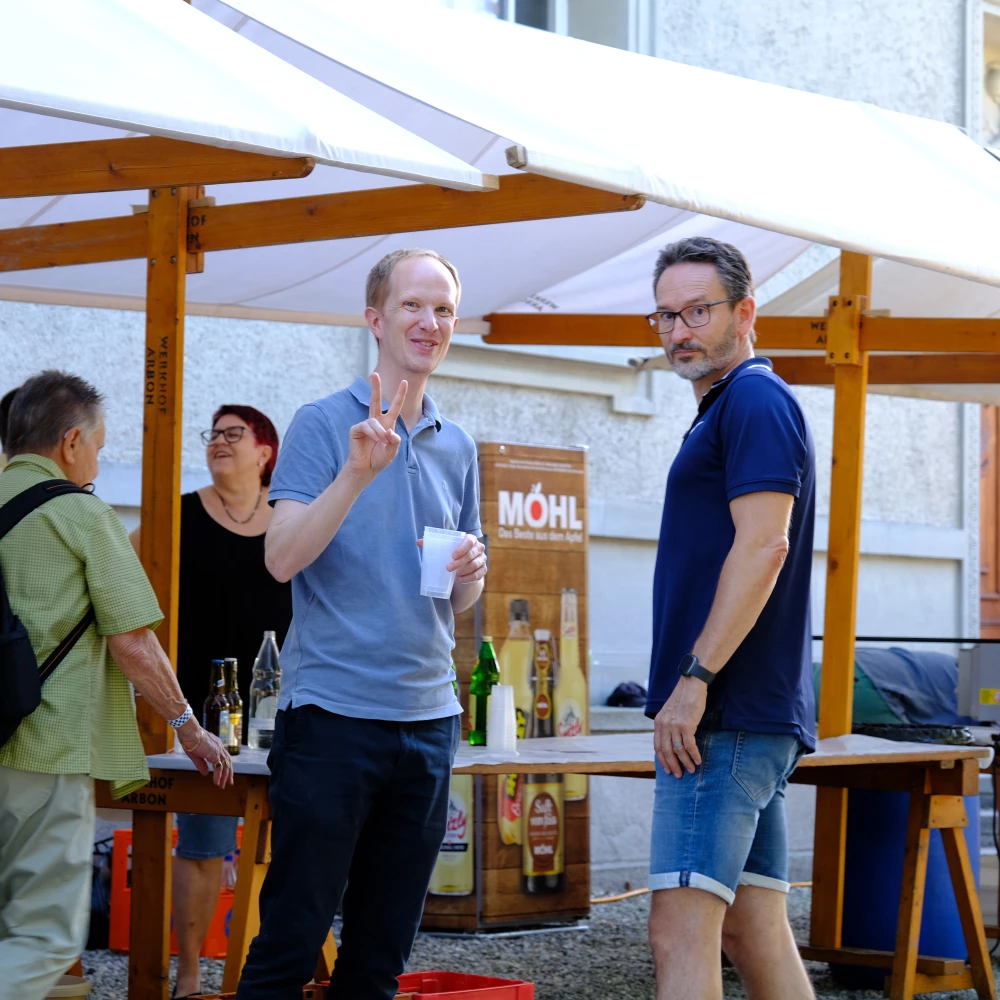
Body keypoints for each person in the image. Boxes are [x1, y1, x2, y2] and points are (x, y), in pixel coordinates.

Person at [236, 248, 486, 1000]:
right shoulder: (321, 424)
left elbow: (456, 603)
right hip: (333, 716)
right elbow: (280, 559)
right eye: (413, 305)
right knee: (289, 944)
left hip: (429, 720)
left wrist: (472, 572)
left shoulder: (458, 444)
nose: (430, 321)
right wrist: (355, 473)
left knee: (379, 961)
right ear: (375, 319)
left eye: (443, 309)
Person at [0, 371, 232, 1000]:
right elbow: (132, 641)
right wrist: (189, 728)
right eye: (99, 447)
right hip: (45, 748)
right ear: (71, 441)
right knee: (45, 938)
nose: (98, 463)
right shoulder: (80, 514)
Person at [643, 238, 816, 1000]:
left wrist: (695, 680)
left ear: (745, 313)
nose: (679, 330)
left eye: (697, 312)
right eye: (665, 315)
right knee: (752, 929)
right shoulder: (733, 404)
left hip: (722, 713)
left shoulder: (753, 399)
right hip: (743, 714)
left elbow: (765, 545)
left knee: (680, 933)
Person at [129, 405, 292, 999]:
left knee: (291, 849)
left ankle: (269, 975)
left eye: (233, 434)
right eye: (213, 434)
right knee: (202, 844)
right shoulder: (177, 514)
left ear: (264, 451)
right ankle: (192, 979)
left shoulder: (291, 518)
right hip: (201, 712)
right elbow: (121, 577)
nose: (219, 442)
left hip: (282, 708)